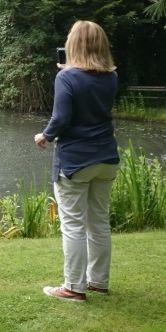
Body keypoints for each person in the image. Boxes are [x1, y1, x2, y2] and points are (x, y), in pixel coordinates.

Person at [35, 20, 119, 303]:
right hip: (107, 157)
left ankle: (74, 287)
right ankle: (99, 282)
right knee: (99, 221)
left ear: (73, 45)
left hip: (75, 161)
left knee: (72, 224)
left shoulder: (66, 78)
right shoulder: (111, 76)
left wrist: (44, 136)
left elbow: (61, 119)